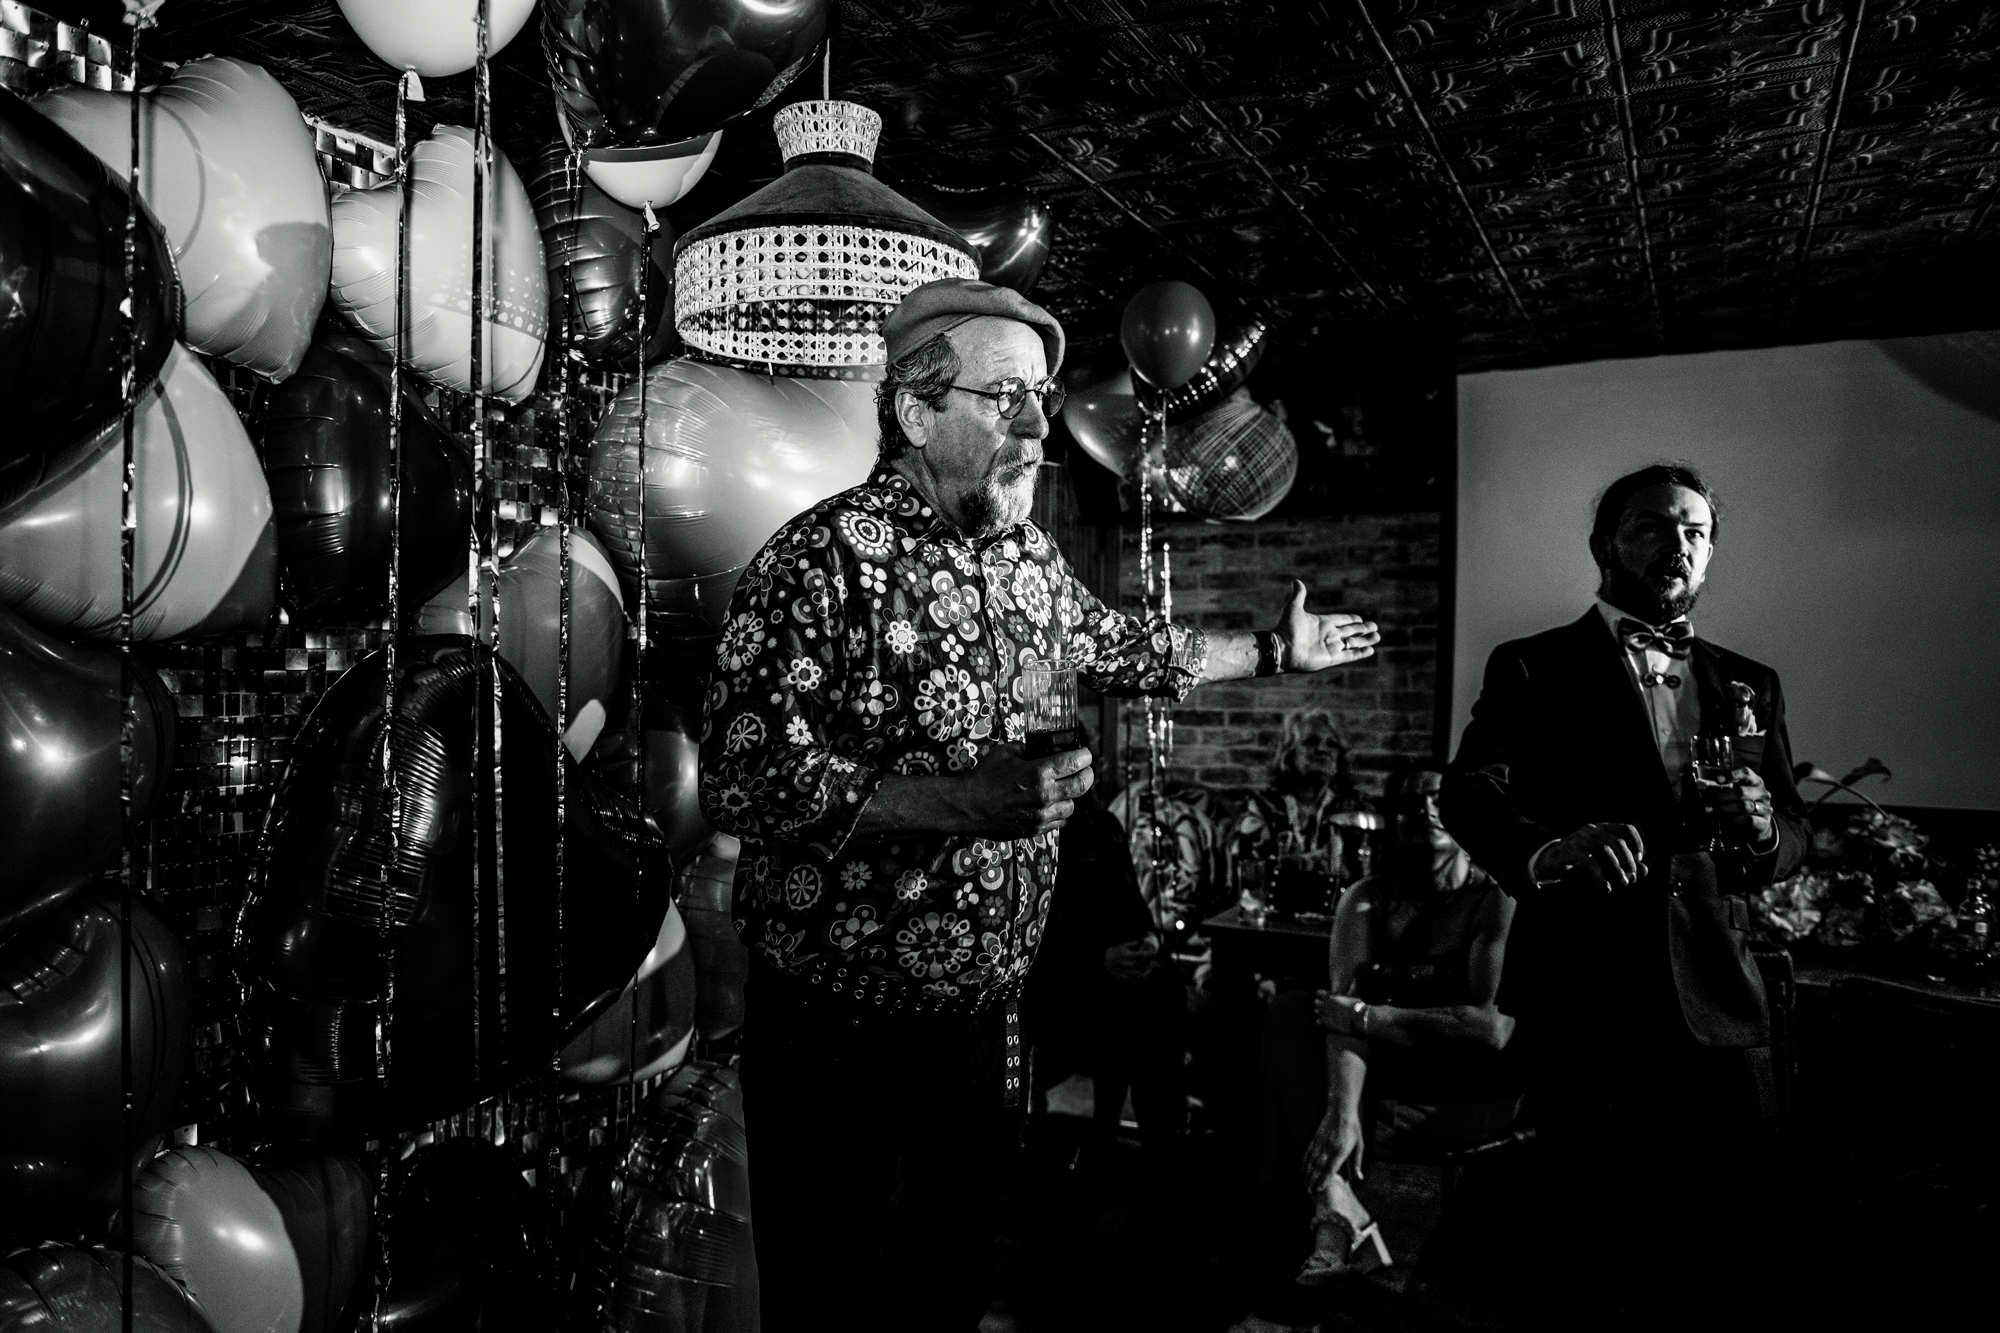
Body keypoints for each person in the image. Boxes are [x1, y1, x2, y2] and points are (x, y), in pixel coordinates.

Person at [698, 276, 1383, 1332]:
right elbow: (746, 776)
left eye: (1041, 396)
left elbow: (1125, 648)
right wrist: (957, 800)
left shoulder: (1025, 558)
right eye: (1004, 396)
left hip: (981, 1022)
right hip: (839, 1033)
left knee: (950, 1283)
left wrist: (1265, 650)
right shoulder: (815, 559)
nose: (1034, 423)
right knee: (837, 1298)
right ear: (918, 412)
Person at [1439, 462, 1809, 1324]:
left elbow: (1793, 831)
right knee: (1584, 1251)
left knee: (1727, 1249)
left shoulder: (1749, 682)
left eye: (1695, 531)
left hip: (1723, 1004)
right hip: (1587, 1002)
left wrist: (1762, 830)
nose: (1677, 543)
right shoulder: (1532, 665)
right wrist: (1548, 848)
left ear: (1710, 555)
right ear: (1606, 543)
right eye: (1652, 525)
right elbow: (1470, 792)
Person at [1231, 769, 1519, 1333]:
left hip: (1466, 1094)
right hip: (1385, 1089)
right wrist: (1341, 1117)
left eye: (1441, 800)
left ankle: (1309, 1260)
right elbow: (1340, 1017)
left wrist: (1376, 1018)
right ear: (1392, 821)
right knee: (1292, 1014)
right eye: (1412, 801)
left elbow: (1489, 1028)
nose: (1427, 810)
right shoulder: (1367, 899)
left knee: (1284, 1099)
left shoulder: (1494, 899)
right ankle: (1331, 1215)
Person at [1023, 776, 1187, 1167]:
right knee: (1127, 1000)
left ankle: (1158, 1144)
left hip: (1112, 961)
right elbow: (1037, 929)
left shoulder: (1101, 825)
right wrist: (1098, 957)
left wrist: (1147, 940)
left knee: (1161, 987)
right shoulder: (1030, 829)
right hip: (1060, 969)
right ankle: (1106, 1135)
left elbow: (1131, 900)